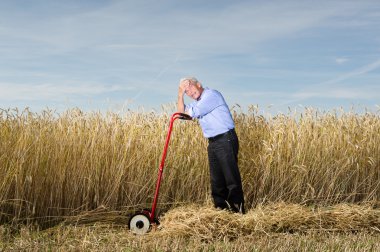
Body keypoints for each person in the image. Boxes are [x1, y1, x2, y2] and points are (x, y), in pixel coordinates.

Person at [177, 77, 245, 214]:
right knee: (217, 180)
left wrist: (184, 102)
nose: (189, 92)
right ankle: (221, 211)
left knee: (230, 178)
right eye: (186, 91)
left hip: (225, 139)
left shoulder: (211, 95)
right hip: (213, 142)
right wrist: (180, 94)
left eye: (190, 87)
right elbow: (181, 113)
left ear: (199, 84)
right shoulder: (197, 102)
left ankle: (238, 212)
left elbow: (191, 113)